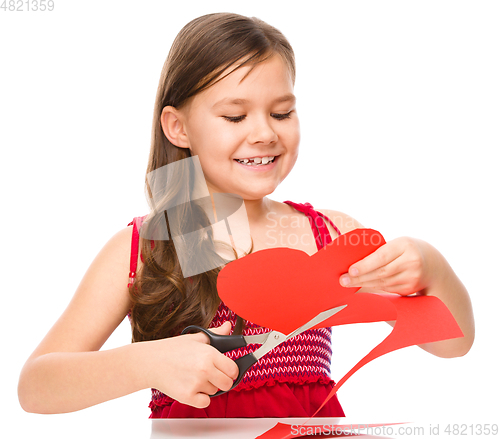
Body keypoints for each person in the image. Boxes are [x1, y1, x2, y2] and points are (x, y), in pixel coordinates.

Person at [18, 12, 474, 418]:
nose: (264, 133)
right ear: (178, 128)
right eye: (235, 117)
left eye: (282, 112)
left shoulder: (331, 235)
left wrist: (432, 268)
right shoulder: (145, 248)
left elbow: (452, 344)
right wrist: (148, 362)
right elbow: (36, 387)